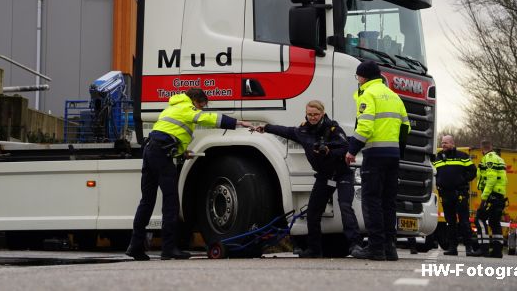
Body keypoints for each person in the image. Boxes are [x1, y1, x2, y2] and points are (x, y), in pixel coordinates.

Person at [126, 88, 252, 261]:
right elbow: (207, 119)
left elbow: (168, 133)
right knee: (171, 202)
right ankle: (169, 249)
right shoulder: (187, 107)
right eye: (201, 105)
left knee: (147, 201)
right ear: (194, 100)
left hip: (151, 150)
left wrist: (181, 152)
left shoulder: (172, 107)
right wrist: (238, 123)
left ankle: (135, 246)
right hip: (161, 154)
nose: (201, 109)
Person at [255, 100, 359, 258]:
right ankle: (314, 249)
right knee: (313, 212)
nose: (312, 117)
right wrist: (267, 128)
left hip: (342, 173)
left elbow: (345, 148)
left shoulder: (333, 128)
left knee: (345, 206)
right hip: (325, 176)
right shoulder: (303, 131)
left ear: (322, 114)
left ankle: (355, 245)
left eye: (316, 115)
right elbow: (286, 131)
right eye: (310, 114)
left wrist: (329, 150)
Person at [345, 60, 409, 261]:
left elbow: (365, 126)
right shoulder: (394, 96)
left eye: (358, 77)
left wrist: (352, 150)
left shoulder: (368, 95)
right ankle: (390, 248)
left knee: (371, 201)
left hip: (374, 156)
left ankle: (375, 247)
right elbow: (405, 127)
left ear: (363, 77)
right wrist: (399, 151)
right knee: (388, 202)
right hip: (393, 156)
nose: (358, 80)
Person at [433, 135, 477, 255]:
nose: (443, 145)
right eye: (442, 143)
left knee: (464, 221)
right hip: (445, 194)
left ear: (452, 143)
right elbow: (434, 173)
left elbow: (473, 171)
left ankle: (469, 248)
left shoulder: (462, 156)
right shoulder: (438, 158)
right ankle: (453, 248)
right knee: (450, 222)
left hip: (460, 193)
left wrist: (463, 180)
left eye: (446, 143)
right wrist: (438, 183)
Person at [467, 139, 507, 258]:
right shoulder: (499, 158)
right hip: (499, 195)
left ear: (482, 149)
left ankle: (483, 248)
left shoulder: (489, 158)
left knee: (479, 219)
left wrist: (484, 198)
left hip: (492, 195)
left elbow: (491, 179)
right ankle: (497, 250)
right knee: (495, 222)